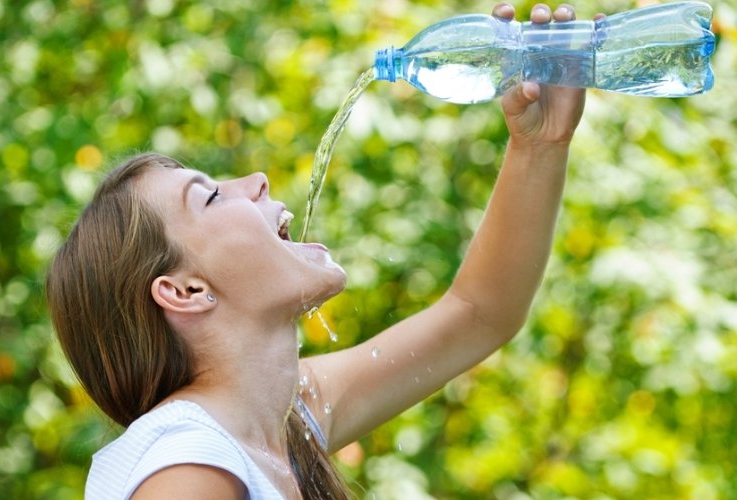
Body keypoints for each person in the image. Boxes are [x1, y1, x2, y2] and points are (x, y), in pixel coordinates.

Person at [46, 3, 590, 498]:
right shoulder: (186, 466)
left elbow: (480, 314)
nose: (256, 181)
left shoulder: (286, 421)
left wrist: (539, 144)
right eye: (210, 196)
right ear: (186, 291)